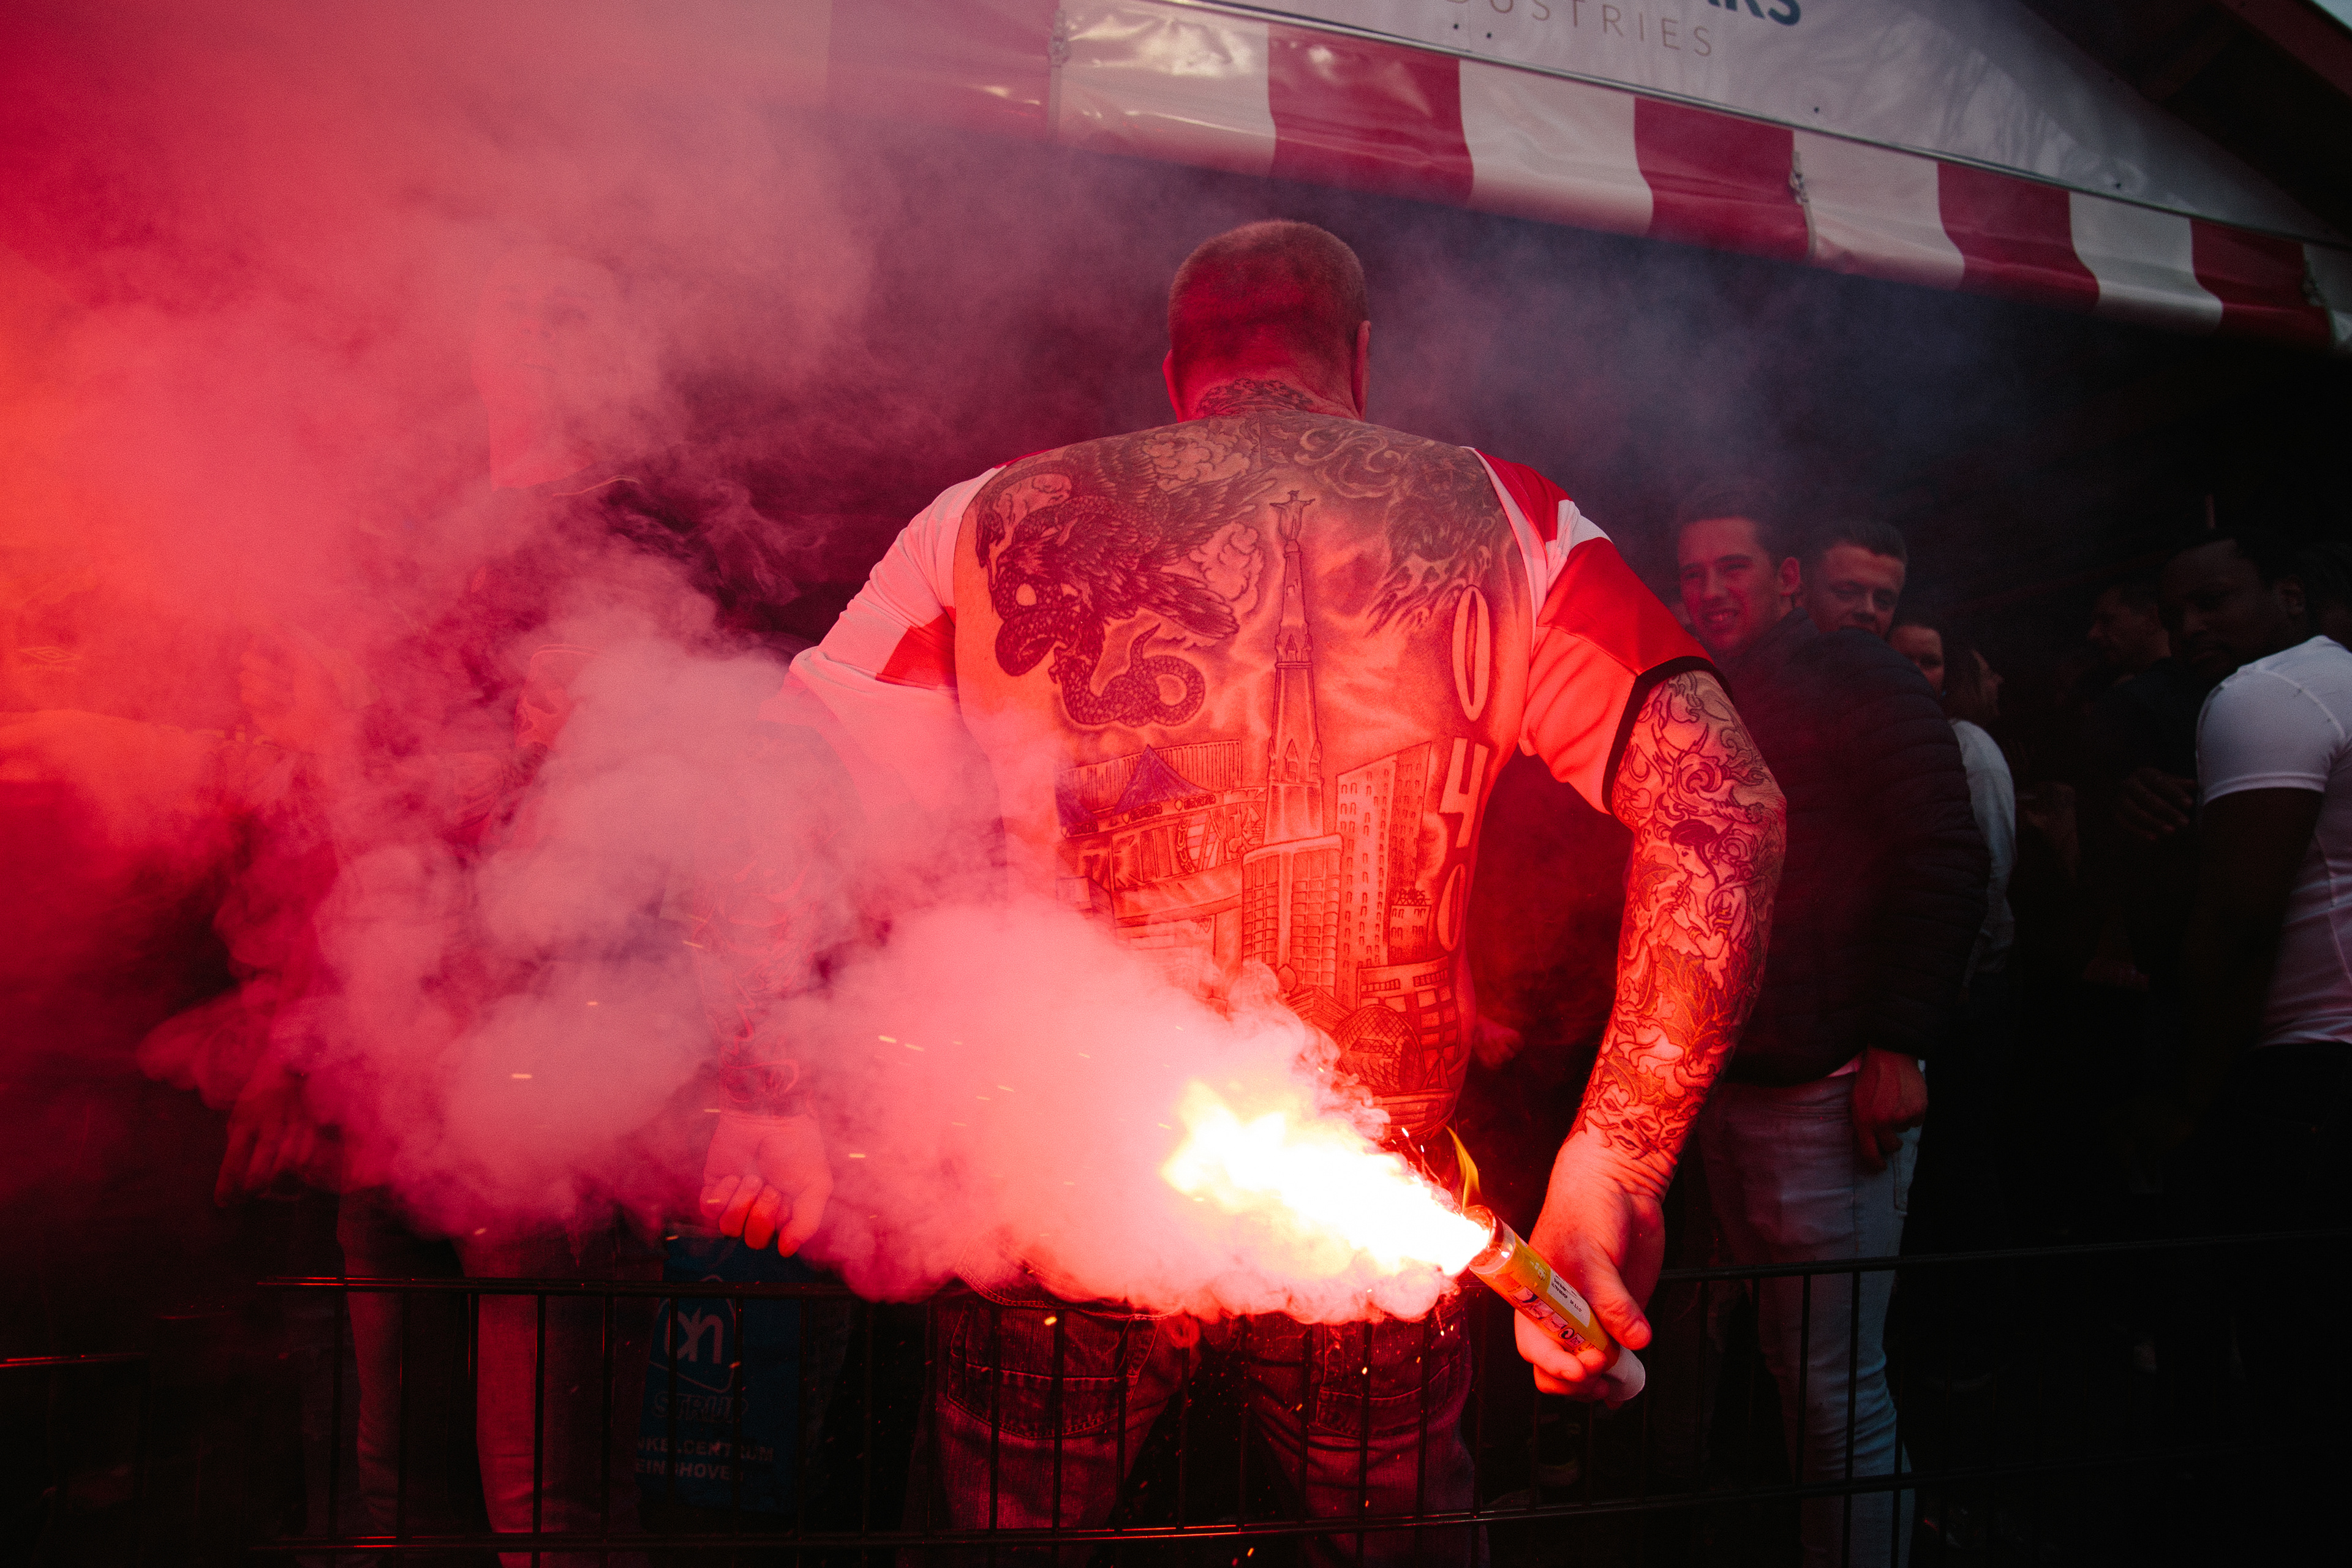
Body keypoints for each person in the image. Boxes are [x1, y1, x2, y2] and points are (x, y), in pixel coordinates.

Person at [750, 221, 1785, 1561]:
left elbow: (783, 797)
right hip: (1382, 1203)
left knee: (1013, 1541)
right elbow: (1724, 803)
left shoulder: (982, 523)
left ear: (1176, 371)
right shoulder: (1507, 519)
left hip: (1059, 1198)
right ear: (1359, 355)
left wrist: (769, 1085)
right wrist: (1617, 1168)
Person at [1674, 488, 1986, 1568]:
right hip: (1741, 1077)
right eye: (1694, 574)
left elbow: (1944, 854)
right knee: (1787, 1365)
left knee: (1832, 1390)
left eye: (1735, 567)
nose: (1713, 590)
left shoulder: (1858, 672)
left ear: (1788, 579)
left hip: (1831, 1084)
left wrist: (1898, 1045)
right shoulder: (1714, 691)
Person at [2118, 529, 2352, 1556]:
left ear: (2289, 595)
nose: (2190, 628)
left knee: (2302, 1383)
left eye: (2214, 601)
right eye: (2176, 613)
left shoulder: (2273, 693)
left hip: (2310, 1077)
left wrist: (2190, 1099)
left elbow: (2240, 920)